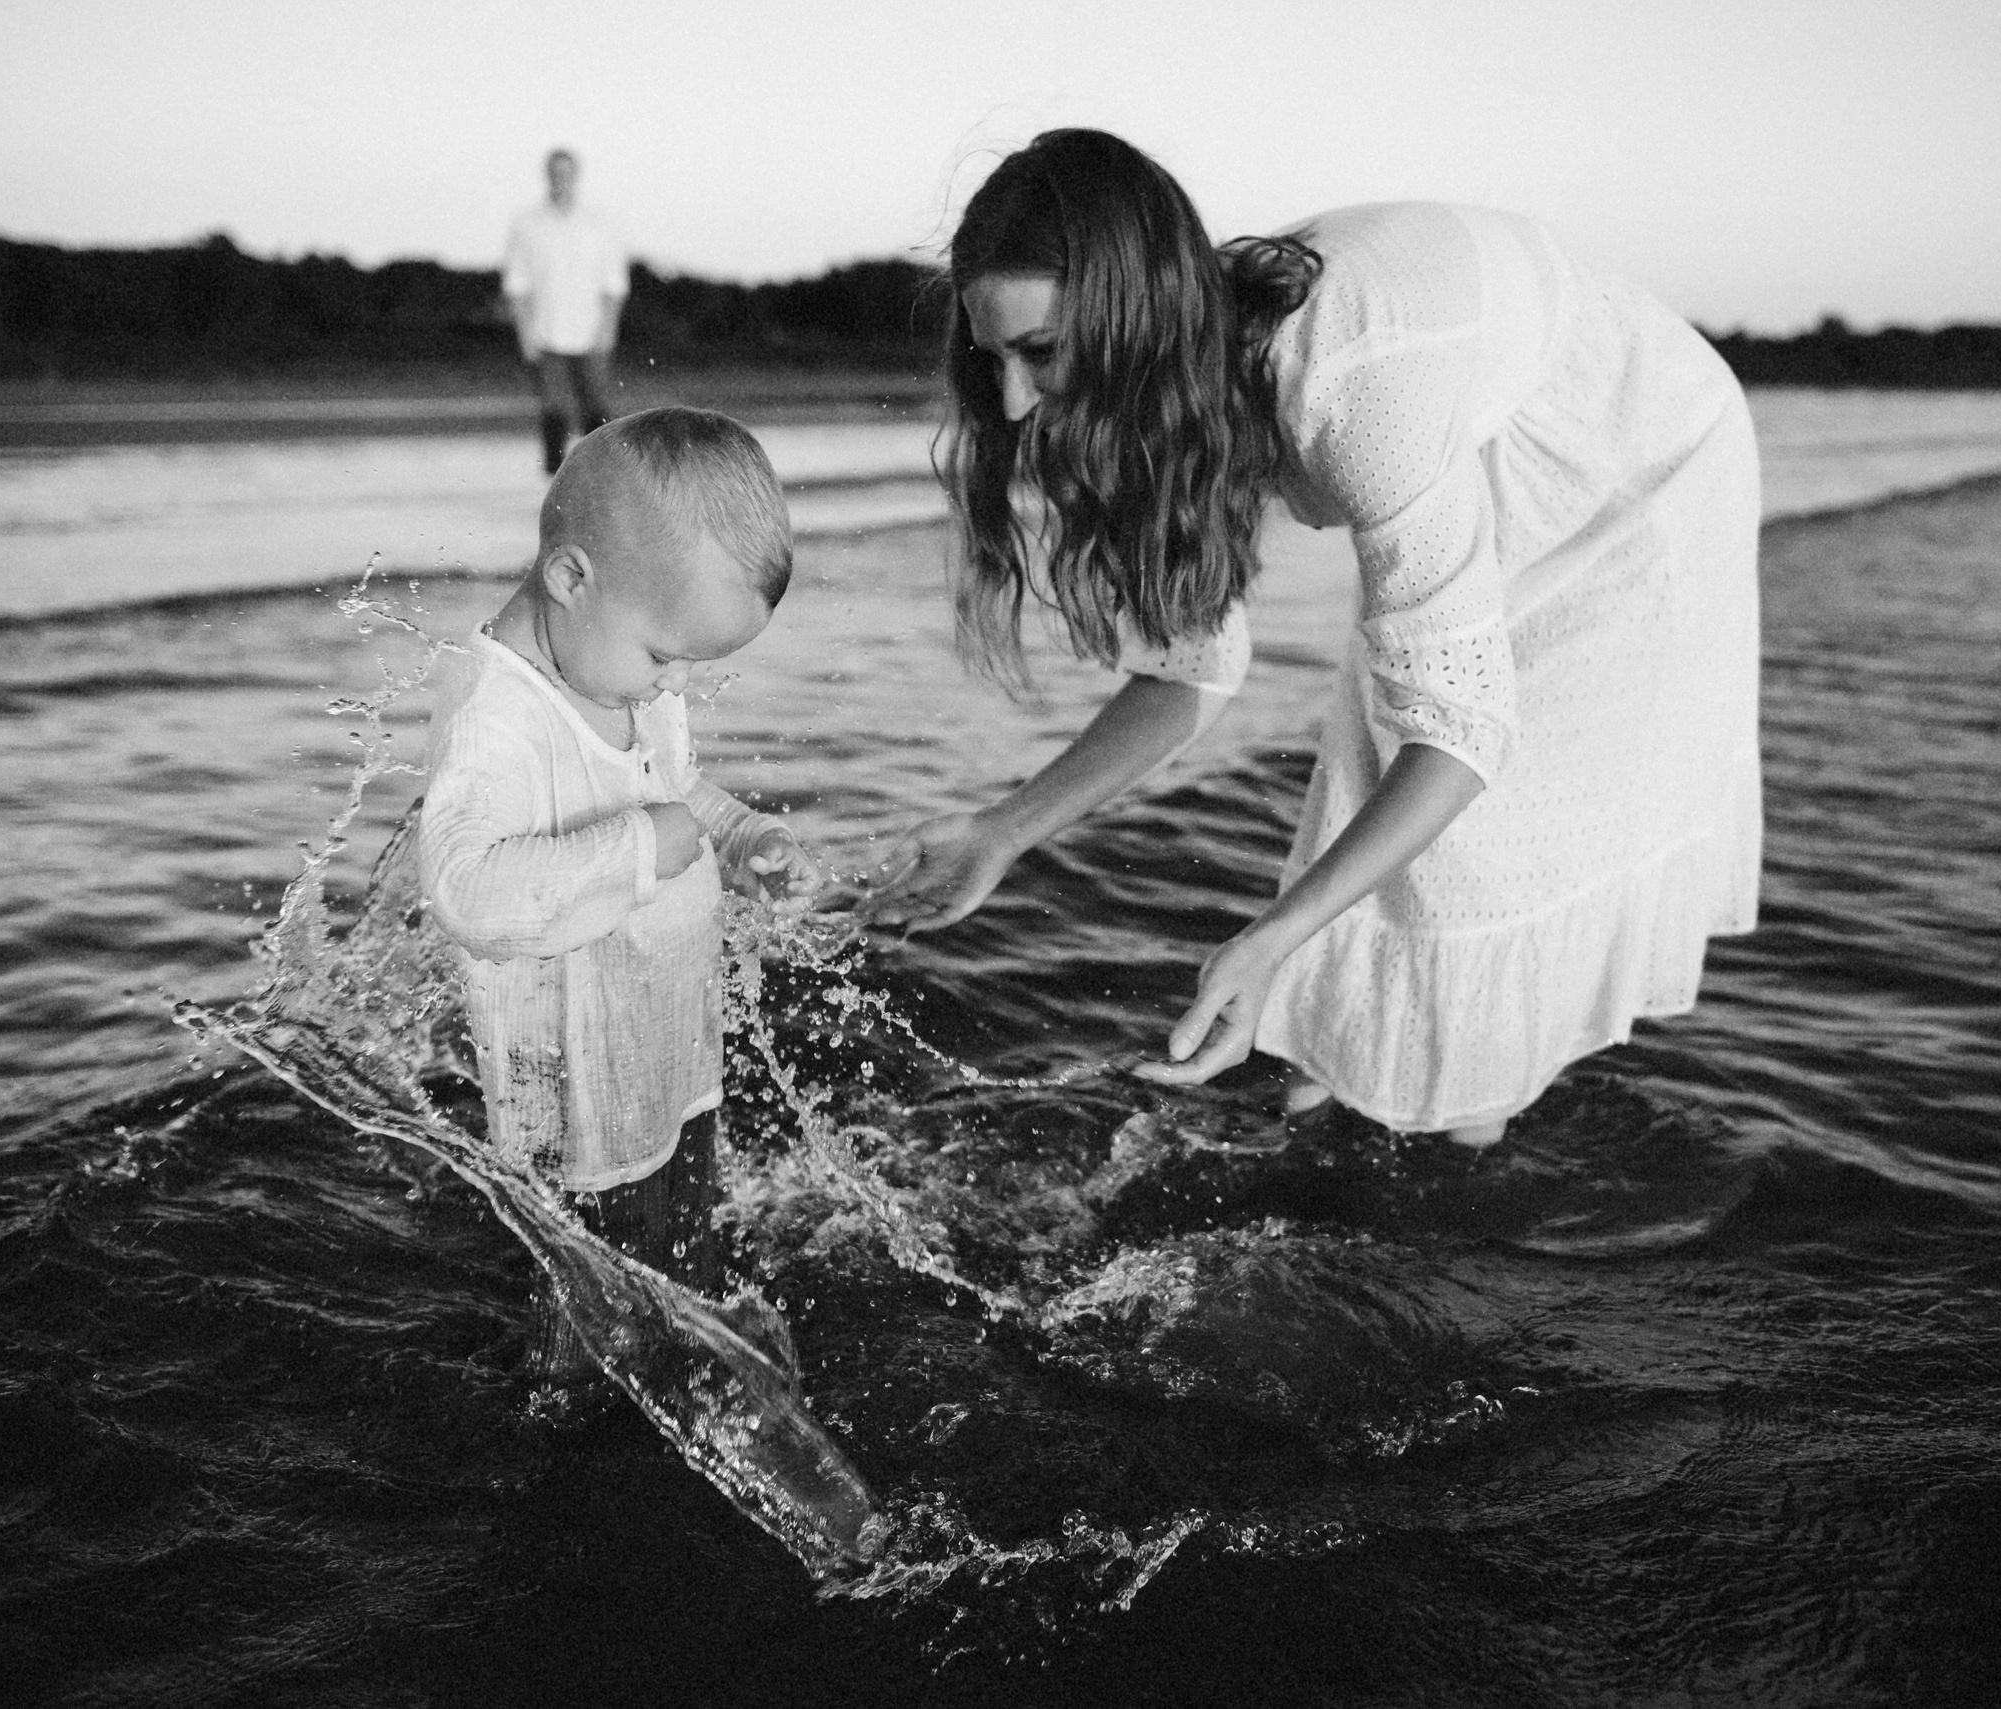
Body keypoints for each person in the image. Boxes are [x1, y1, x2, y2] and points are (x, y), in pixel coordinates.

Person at [863, 130, 1760, 1151]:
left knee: (1456, 877)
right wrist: (1002, 832)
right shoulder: (1171, 380)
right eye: (994, 357)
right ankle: (1337, 1149)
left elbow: (1461, 734)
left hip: (1629, 468)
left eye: (1041, 353)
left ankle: (1458, 1168)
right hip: (1469, 423)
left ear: (1132, 320)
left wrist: (1270, 938)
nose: (1014, 402)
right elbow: (1192, 669)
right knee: (1355, 890)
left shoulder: (1352, 387)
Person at [420, 407, 825, 1382]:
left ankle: (692, 1359)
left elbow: (672, 789)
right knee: (596, 1308)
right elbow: (466, 892)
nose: (673, 685)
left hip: (665, 1042)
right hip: (579, 1098)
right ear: (571, 577)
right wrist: (647, 842)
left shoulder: (612, 663)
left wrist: (737, 832)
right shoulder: (496, 720)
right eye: (663, 656)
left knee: (687, 1243)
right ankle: (573, 1423)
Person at [502, 148, 631, 475]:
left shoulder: (599, 224)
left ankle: (604, 476)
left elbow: (614, 284)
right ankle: (554, 481)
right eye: (555, 173)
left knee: (598, 410)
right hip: (545, 333)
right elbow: (516, 285)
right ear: (547, 175)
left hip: (591, 332)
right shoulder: (527, 224)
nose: (561, 179)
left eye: (566, 173)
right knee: (553, 411)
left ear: (576, 176)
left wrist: (608, 329)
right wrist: (524, 333)